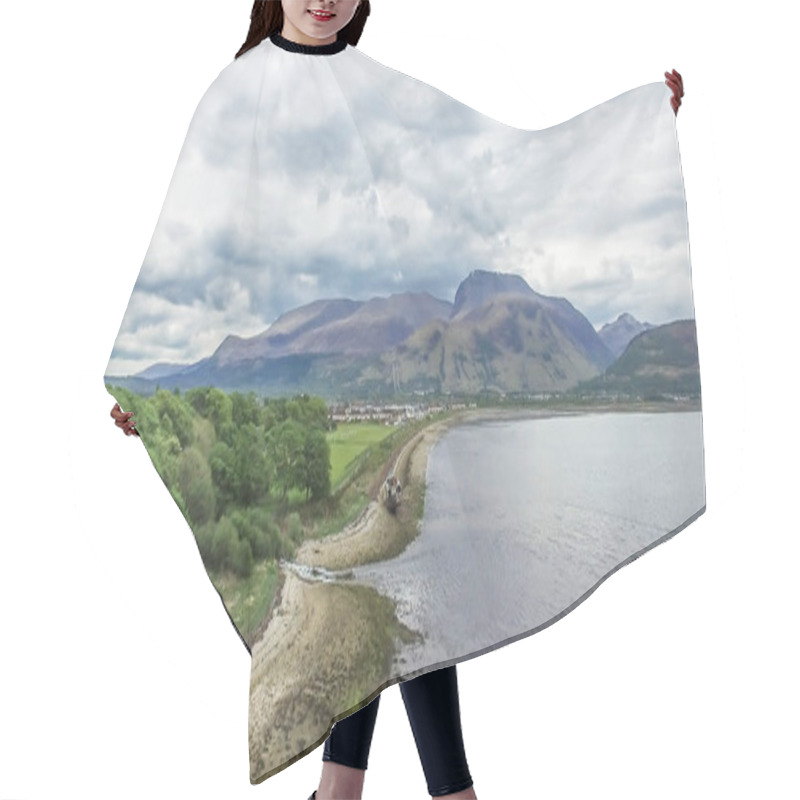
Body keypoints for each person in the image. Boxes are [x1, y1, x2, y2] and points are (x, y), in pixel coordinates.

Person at [110, 2, 685, 798]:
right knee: (376, 601)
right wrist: (153, 396)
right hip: (290, 404)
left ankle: (351, 791)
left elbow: (504, 169)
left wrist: (636, 132)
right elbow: (189, 252)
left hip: (345, 376)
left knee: (384, 595)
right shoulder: (234, 95)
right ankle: (430, 793)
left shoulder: (380, 91)